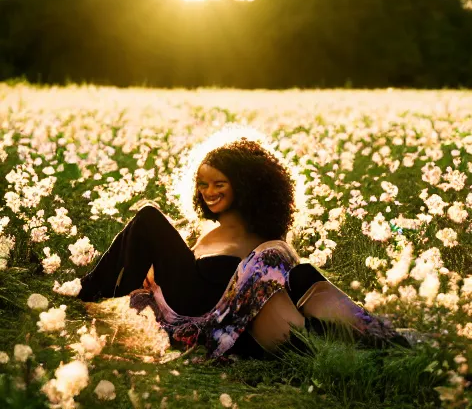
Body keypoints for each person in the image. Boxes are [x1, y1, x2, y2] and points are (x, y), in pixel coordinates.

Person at [78, 138, 408, 358]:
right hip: (188, 305)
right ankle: (95, 293)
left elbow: (272, 282)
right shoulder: (208, 231)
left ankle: (379, 338)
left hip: (215, 309)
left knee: (149, 216)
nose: (209, 192)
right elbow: (181, 272)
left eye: (219, 184)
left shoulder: (266, 241)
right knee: (148, 219)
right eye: (203, 185)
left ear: (247, 187)